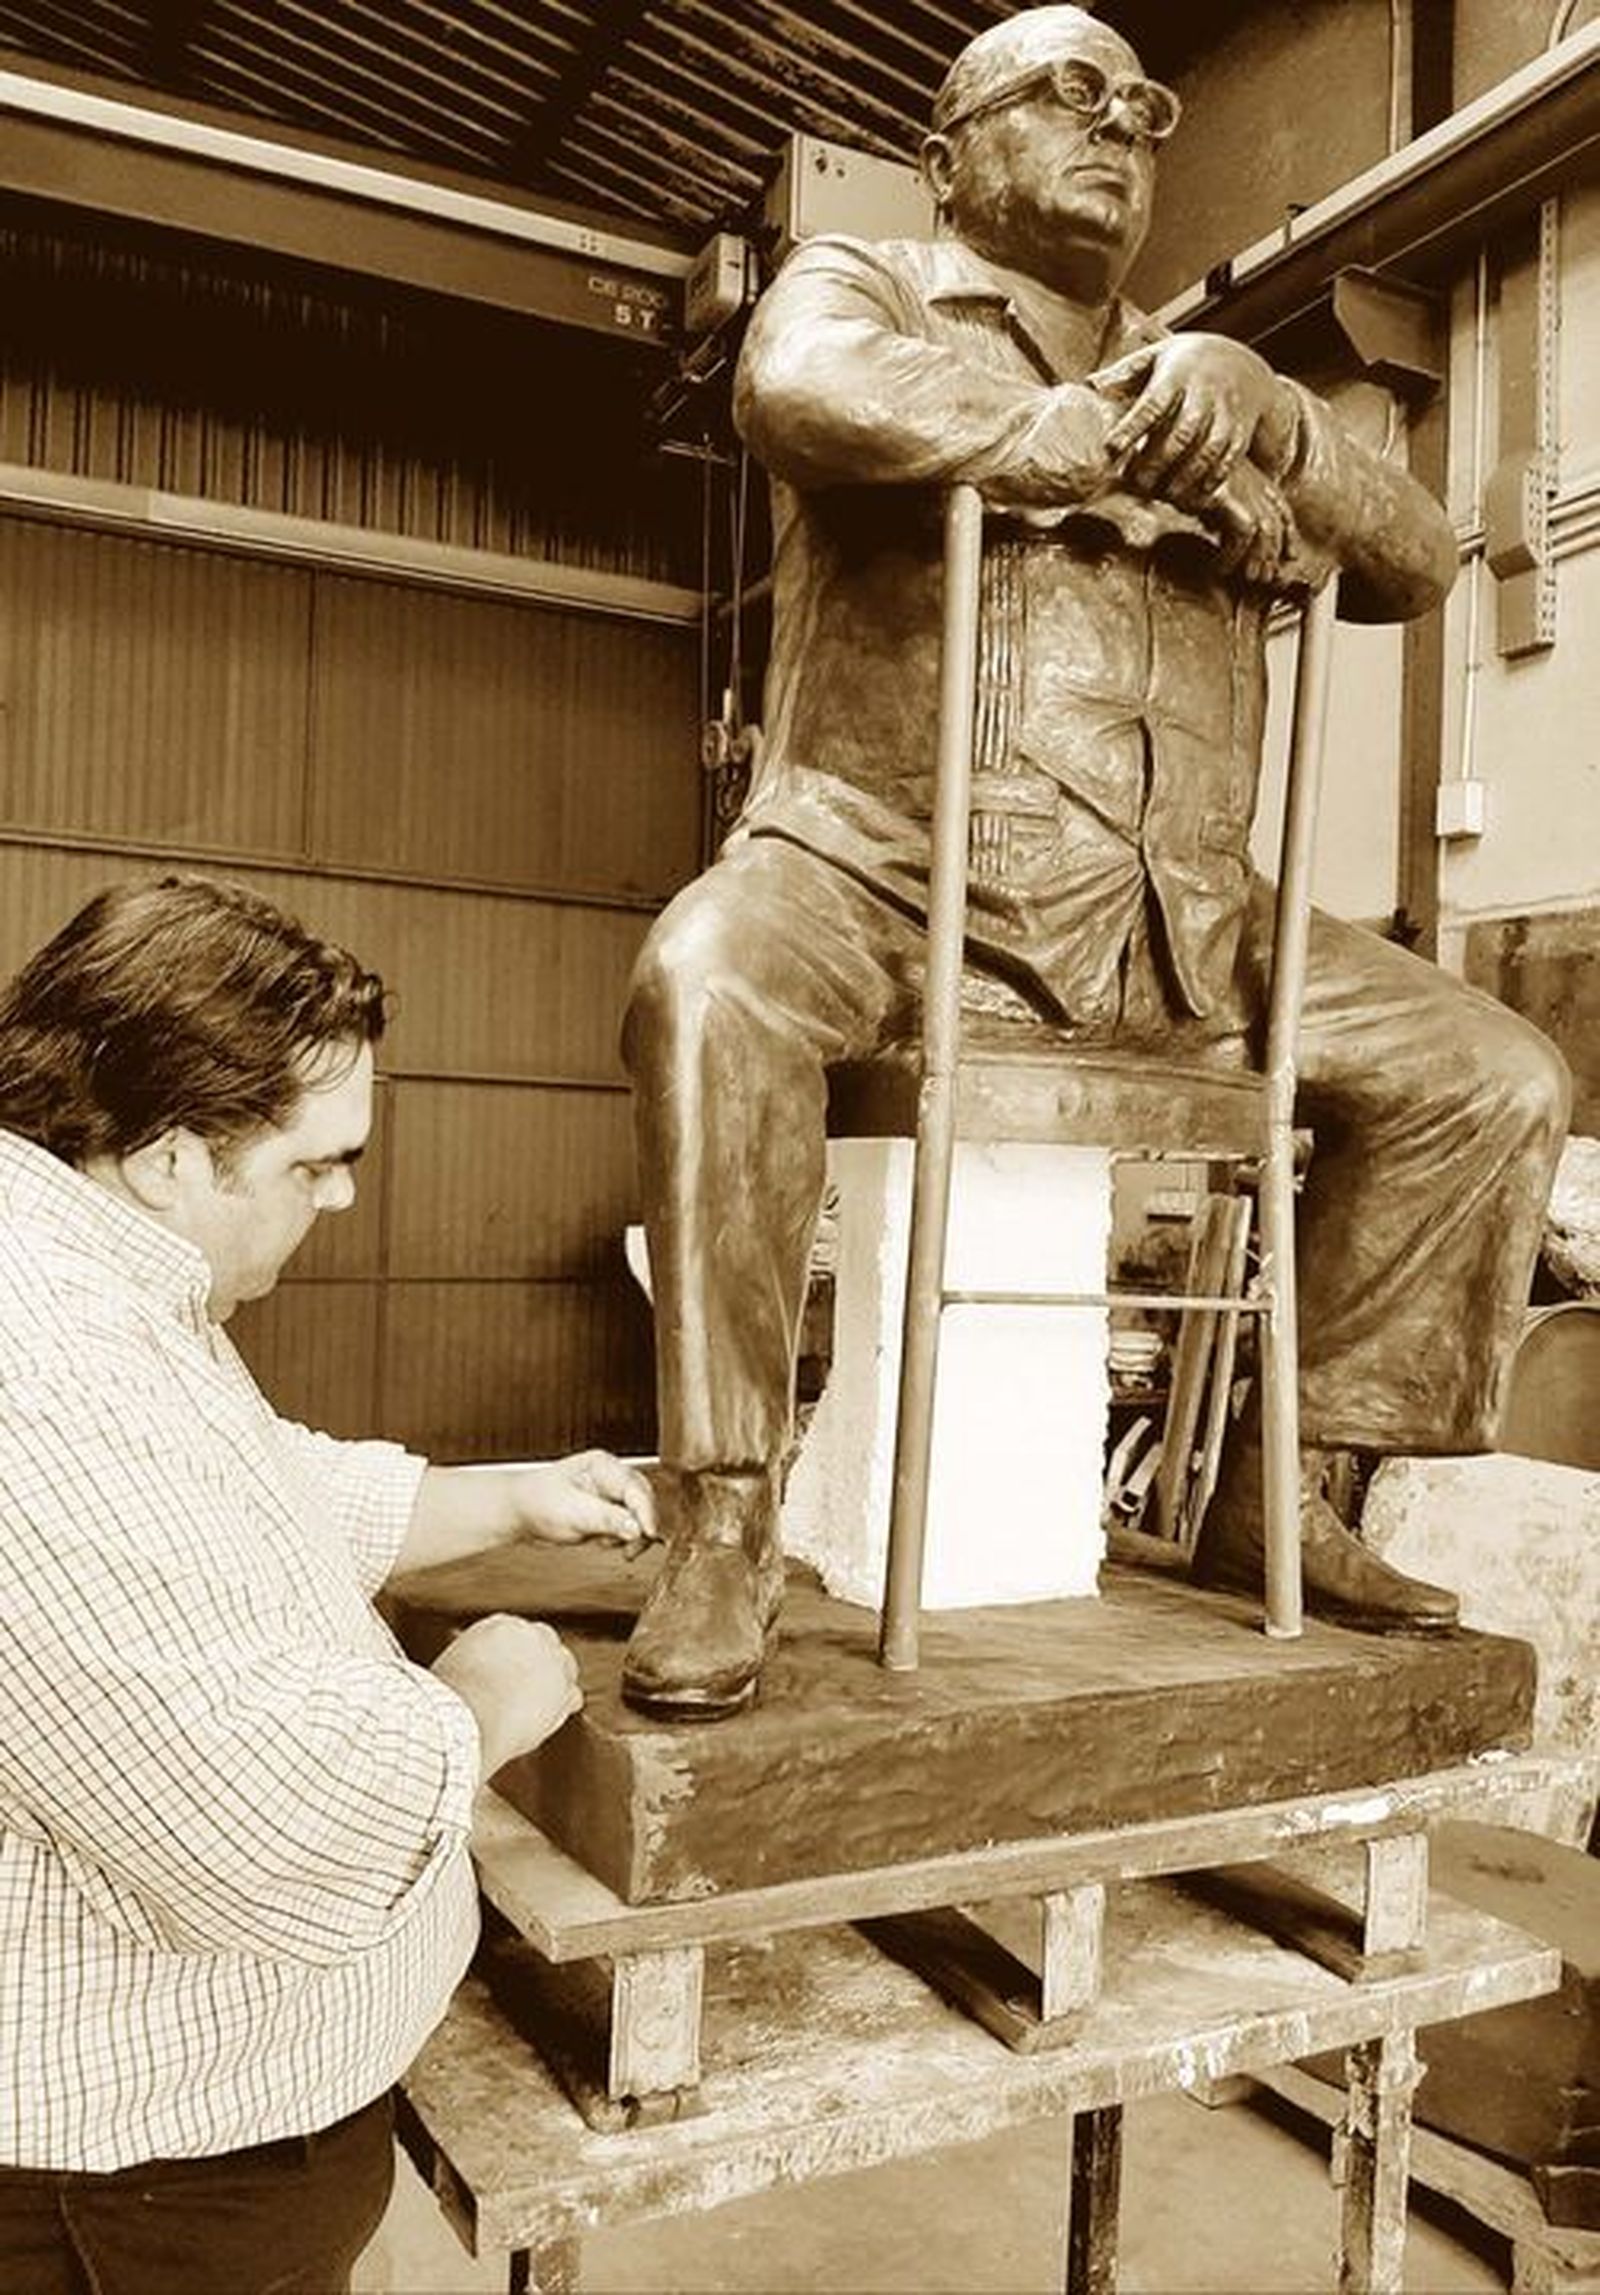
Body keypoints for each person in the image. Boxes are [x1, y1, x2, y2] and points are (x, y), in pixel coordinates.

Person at [618, 4, 1570, 1722]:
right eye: (1065, 97)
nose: (1118, 129)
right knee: (705, 987)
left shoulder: (1214, 377)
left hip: (1183, 919)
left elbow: (1425, 554)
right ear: (945, 158)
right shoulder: (864, 287)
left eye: (1142, 108)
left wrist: (1267, 405)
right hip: (882, 869)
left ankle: (1285, 1495)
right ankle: (723, 1521)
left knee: (1491, 1072)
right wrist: (1067, 433)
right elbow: (795, 386)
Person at [0, 873, 654, 2295]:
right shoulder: (31, 1367)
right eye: (313, 1163)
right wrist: (476, 1705)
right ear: (172, 1155)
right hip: (137, 2199)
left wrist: (516, 1494)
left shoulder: (96, 1285)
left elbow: (237, 1487)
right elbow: (251, 1826)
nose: (345, 1192)